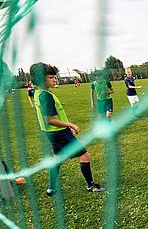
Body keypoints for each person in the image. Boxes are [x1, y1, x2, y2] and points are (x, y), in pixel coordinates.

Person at [30, 62, 105, 196]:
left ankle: (51, 189)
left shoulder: (38, 92)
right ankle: (90, 186)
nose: (54, 79)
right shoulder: (45, 95)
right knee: (84, 155)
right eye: (50, 77)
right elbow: (50, 119)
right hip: (58, 132)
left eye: (54, 77)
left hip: (50, 133)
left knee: (57, 158)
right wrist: (70, 125)